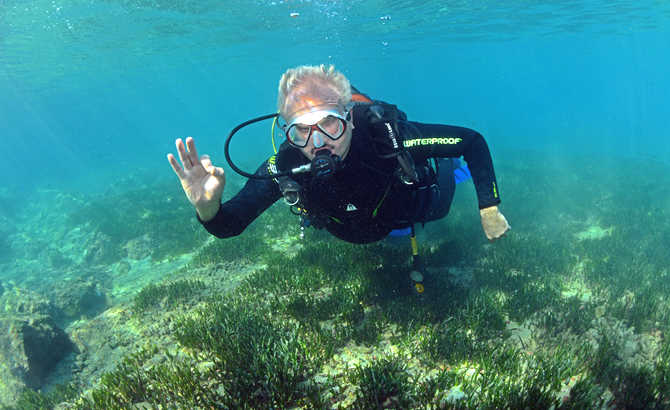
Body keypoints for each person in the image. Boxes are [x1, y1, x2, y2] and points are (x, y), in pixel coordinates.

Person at [167, 65, 510, 247]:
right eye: (302, 130)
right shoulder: (287, 165)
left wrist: (489, 207)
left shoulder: (386, 137)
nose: (318, 142)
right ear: (288, 132)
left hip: (403, 215)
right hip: (352, 227)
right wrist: (207, 208)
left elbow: (472, 141)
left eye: (329, 123)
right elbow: (230, 225)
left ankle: (447, 167)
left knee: (439, 205)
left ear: (349, 119)